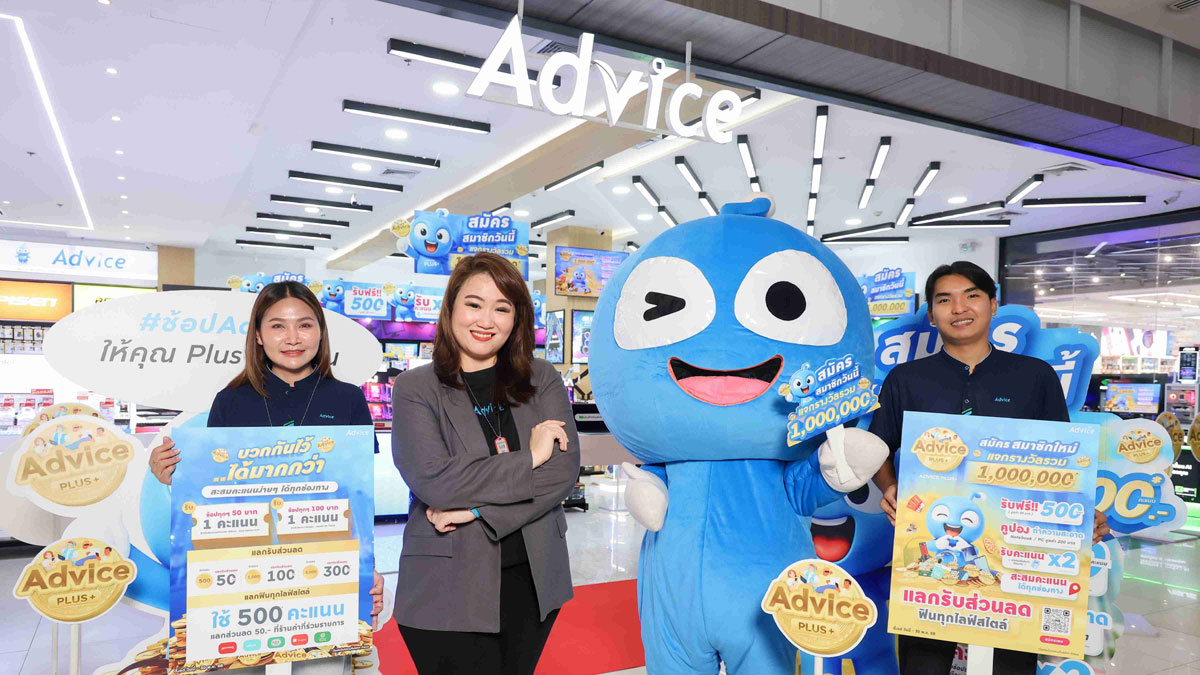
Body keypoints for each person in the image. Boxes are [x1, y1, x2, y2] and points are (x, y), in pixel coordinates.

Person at [870, 261, 1110, 675]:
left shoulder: (1034, 377)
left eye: (972, 296)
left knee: (1011, 660)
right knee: (923, 661)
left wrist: (1078, 516)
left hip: (1015, 546)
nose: (959, 308)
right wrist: (890, 488)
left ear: (993, 304)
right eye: (944, 300)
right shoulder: (906, 379)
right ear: (932, 315)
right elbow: (877, 447)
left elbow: (1060, 461)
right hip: (929, 549)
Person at [148, 281, 385, 671]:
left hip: (324, 571)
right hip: (244, 572)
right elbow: (212, 495)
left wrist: (367, 565)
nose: (292, 338)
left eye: (304, 325)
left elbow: (358, 495)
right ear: (258, 335)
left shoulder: (347, 399)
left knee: (322, 668)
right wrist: (173, 475)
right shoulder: (231, 401)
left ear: (320, 332)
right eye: (278, 326)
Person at [391, 252, 580, 675]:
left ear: (517, 318)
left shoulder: (541, 378)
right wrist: (531, 458)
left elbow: (562, 473)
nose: (486, 320)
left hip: (533, 579)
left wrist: (476, 510)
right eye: (474, 304)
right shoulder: (415, 387)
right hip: (446, 585)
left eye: (502, 308)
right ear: (451, 308)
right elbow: (435, 480)